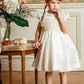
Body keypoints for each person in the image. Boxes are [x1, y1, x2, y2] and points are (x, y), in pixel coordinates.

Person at [32, 0, 80, 84]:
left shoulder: (63, 15)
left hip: (61, 45)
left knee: (62, 70)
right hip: (48, 46)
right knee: (49, 70)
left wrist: (60, 17)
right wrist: (37, 41)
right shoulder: (43, 15)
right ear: (46, 2)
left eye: (58, 3)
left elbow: (65, 30)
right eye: (53, 2)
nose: (55, 5)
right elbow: (38, 31)